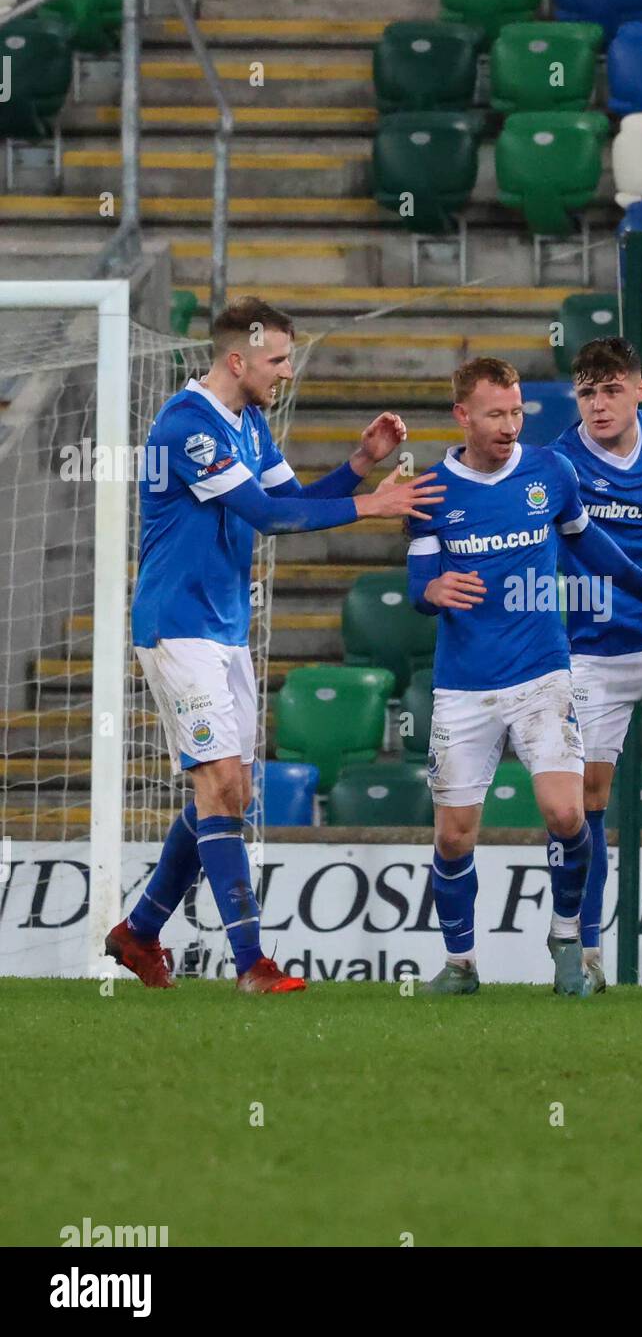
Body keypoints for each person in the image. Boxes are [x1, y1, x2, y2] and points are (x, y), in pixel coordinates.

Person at [108, 295, 443, 993]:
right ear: (238, 359)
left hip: (224, 629)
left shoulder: (250, 422)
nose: (288, 371)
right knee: (221, 786)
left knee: (229, 790)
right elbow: (267, 517)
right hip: (177, 629)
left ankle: (139, 933)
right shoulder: (187, 427)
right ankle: (250, 964)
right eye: (279, 359)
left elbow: (295, 497)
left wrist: (358, 465)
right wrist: (374, 504)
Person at [406, 357, 642, 996]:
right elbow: (417, 590)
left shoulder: (551, 471)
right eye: (496, 414)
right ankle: (461, 965)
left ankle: (568, 938)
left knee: (566, 813)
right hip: (463, 683)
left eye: (517, 412)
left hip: (543, 671)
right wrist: (433, 588)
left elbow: (588, 543)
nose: (510, 425)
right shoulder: (432, 492)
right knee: (455, 835)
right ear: (463, 415)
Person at [550, 337, 642, 991]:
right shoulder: (559, 462)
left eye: (611, 390)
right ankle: (584, 953)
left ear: (640, 389)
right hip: (596, 653)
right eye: (587, 392)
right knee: (585, 801)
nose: (598, 404)